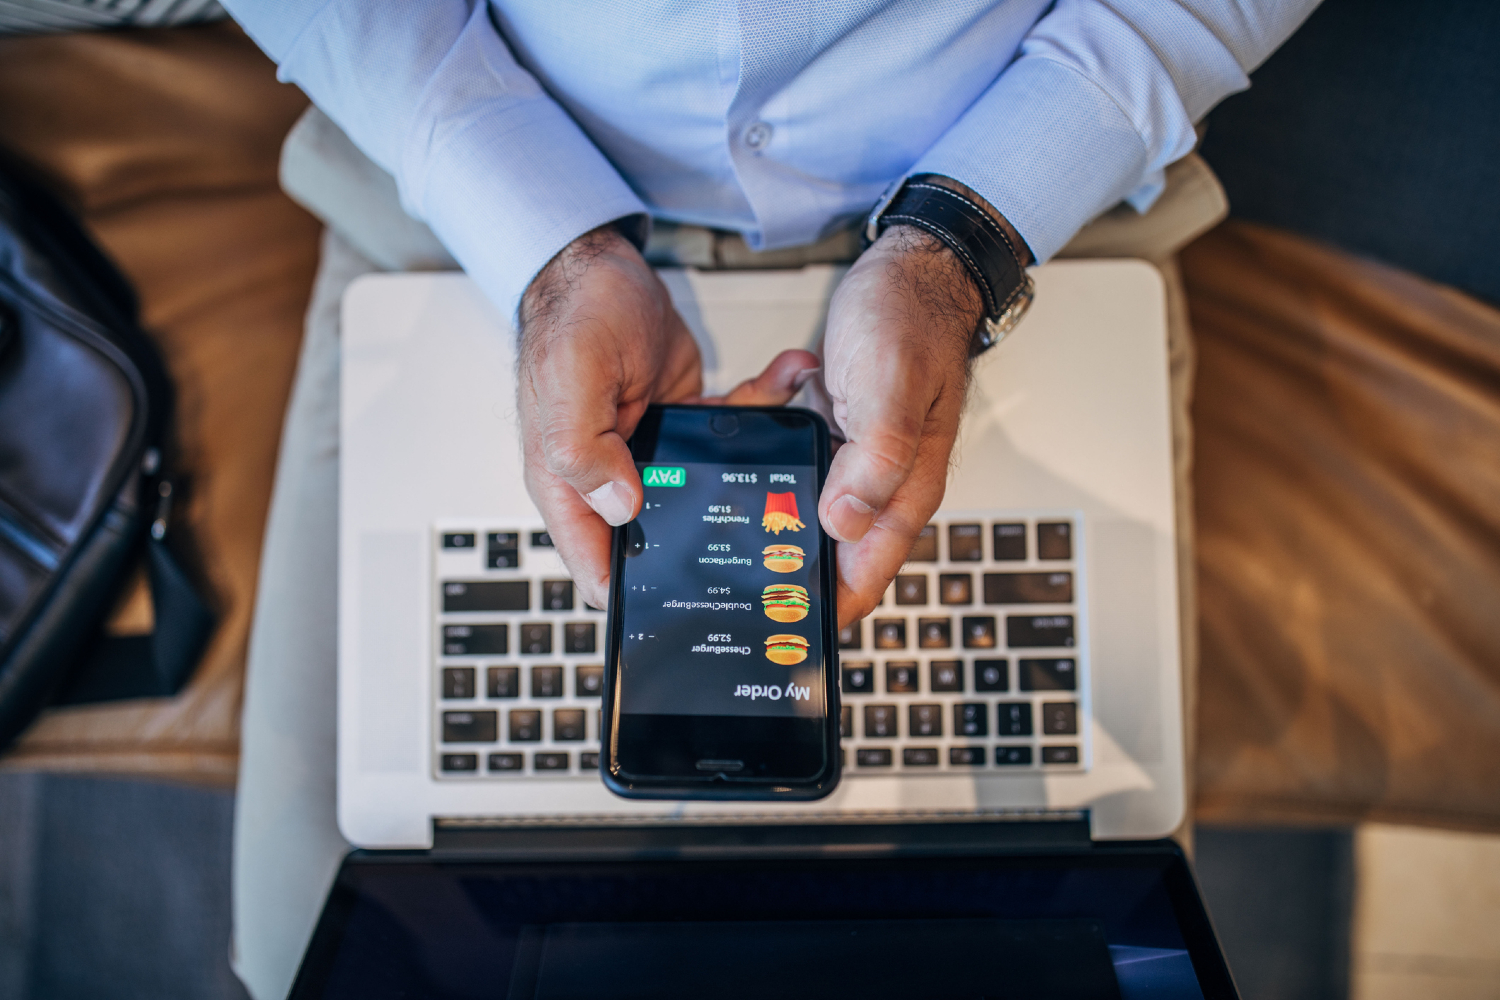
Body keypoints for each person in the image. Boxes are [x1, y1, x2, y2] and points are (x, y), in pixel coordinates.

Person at [223, 0, 1321, 621]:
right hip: (482, 157)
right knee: (317, 940)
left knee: (1101, 911)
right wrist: (549, 250)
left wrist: (959, 251)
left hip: (1027, 177)